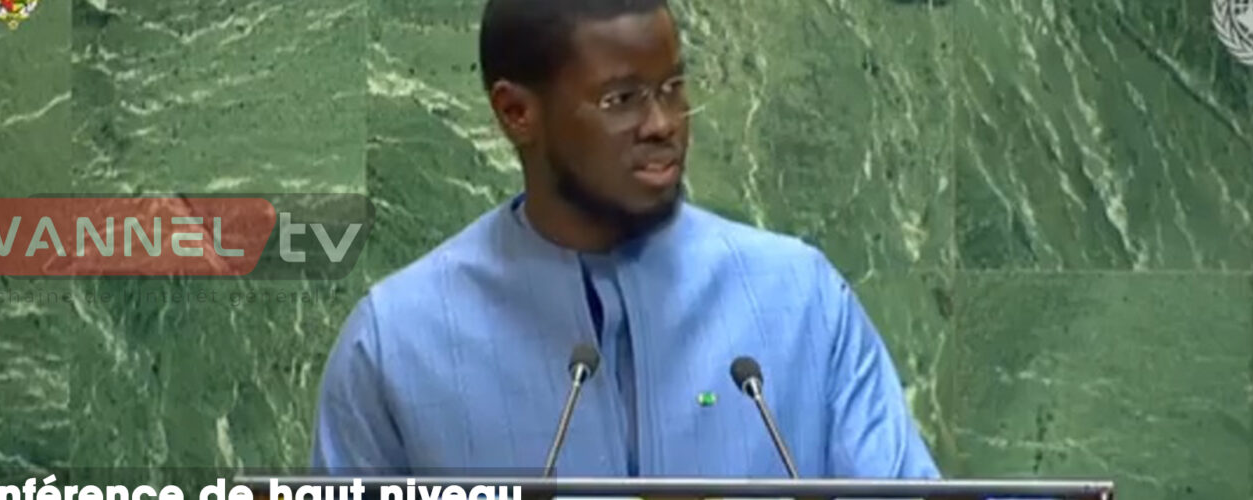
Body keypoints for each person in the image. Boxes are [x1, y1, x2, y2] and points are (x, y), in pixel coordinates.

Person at [310, 0, 942, 479]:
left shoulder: (801, 300)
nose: (663, 124)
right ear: (516, 113)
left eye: (672, 89)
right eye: (622, 99)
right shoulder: (397, 343)